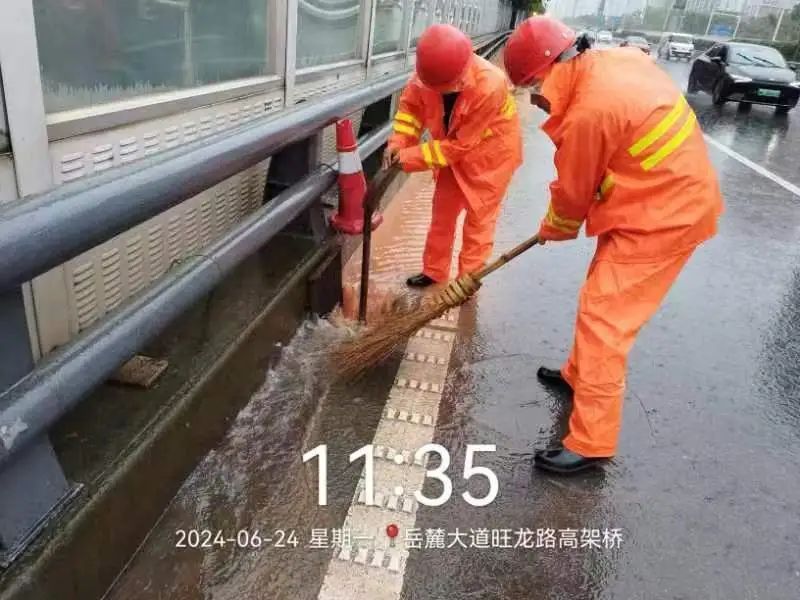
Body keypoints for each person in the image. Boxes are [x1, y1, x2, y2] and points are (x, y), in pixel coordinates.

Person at [503, 17, 724, 474]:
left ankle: (591, 442)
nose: (538, 100)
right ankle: (577, 377)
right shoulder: (614, 61)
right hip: (649, 201)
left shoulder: (589, 111)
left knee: (605, 319)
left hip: (664, 218)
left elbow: (573, 192)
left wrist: (554, 227)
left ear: (550, 69)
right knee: (597, 296)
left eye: (534, 87)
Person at [384, 24, 523, 288]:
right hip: (452, 152)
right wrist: (398, 142)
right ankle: (434, 272)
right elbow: (410, 112)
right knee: (442, 215)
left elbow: (459, 146)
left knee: (478, 223)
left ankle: (466, 282)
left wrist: (409, 158)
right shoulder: (424, 76)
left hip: (491, 160)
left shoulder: (490, 85)